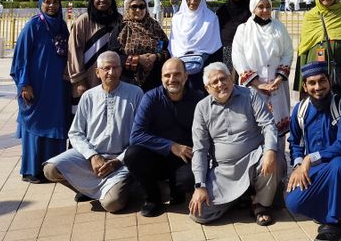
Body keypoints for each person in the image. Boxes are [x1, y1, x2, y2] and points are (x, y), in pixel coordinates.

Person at [43, 52, 143, 212]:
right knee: (51, 169)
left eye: (115, 67)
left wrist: (118, 160)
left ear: (121, 69)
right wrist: (93, 156)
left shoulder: (135, 93)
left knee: (112, 204)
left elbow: (141, 135)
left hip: (120, 161)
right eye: (106, 68)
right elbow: (75, 133)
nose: (111, 72)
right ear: (97, 72)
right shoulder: (88, 96)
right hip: (90, 159)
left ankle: (119, 188)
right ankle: (88, 190)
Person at [189, 63, 281, 226]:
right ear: (207, 88)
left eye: (223, 78)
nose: (220, 84)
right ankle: (244, 196)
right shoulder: (201, 108)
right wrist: (200, 186)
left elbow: (268, 124)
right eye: (214, 82)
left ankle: (260, 205)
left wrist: (270, 151)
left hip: (254, 160)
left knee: (275, 158)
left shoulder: (250, 95)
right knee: (200, 213)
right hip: (224, 171)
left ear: (231, 79)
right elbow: (200, 150)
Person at [285, 62, 341, 241]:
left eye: (322, 81)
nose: (318, 87)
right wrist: (298, 165)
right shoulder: (300, 110)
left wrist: (309, 159)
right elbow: (295, 142)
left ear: (329, 81)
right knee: (293, 203)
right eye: (312, 83)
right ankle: (330, 205)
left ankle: (334, 223)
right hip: (317, 169)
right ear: (305, 86)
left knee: (338, 165)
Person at [126, 57, 203, 217]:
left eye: (177, 74)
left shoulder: (198, 99)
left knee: (187, 182)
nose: (172, 79)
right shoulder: (151, 98)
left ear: (186, 76)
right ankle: (152, 198)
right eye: (167, 75)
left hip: (185, 157)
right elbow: (136, 135)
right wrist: (170, 146)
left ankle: (176, 190)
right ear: (161, 78)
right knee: (133, 155)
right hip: (156, 156)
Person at [9, 0, 71, 183]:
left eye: (55, 2)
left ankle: (53, 168)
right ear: (41, 4)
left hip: (58, 87)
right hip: (36, 85)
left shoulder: (61, 26)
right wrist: (24, 84)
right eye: (47, 2)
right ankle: (31, 170)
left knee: (55, 124)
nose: (51, 6)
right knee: (35, 125)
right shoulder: (33, 25)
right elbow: (21, 57)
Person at [231, 0, 293, 136]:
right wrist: (258, 84)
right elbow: (238, 56)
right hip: (253, 87)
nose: (265, 10)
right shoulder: (244, 29)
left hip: (277, 84)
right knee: (254, 125)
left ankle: (278, 157)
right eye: (261, 7)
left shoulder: (279, 27)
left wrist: (278, 79)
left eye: (268, 7)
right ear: (253, 8)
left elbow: (288, 52)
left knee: (278, 126)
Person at [67, 0, 122, 107]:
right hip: (87, 78)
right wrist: (79, 80)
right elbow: (74, 51)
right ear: (93, 0)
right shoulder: (84, 20)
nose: (103, 0)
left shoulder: (118, 20)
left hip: (112, 77)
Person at [108, 0, 170, 91]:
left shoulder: (155, 27)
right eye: (134, 7)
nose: (138, 10)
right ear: (128, 8)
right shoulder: (122, 28)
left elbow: (167, 51)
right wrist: (138, 59)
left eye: (142, 6)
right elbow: (113, 55)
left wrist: (155, 57)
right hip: (128, 81)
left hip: (154, 81)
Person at [169, 0, 223, 93]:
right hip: (181, 69)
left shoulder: (211, 18)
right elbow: (173, 46)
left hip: (205, 69)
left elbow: (216, 47)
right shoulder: (177, 19)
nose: (193, 2)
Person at [215, 0, 251, 78]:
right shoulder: (223, 10)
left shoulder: (252, 7)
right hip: (227, 52)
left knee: (246, 81)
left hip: (248, 51)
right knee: (228, 83)